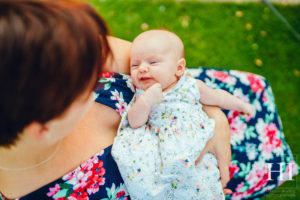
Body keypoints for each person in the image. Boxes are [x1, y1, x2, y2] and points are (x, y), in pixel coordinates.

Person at [0, 0, 231, 199]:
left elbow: (156, 63)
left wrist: (215, 116)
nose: (96, 85)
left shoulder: (41, 45)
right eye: (85, 90)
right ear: (42, 129)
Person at [111, 30, 253, 199]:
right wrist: (146, 102)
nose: (142, 69)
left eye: (153, 62)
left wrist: (240, 105)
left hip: (195, 142)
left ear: (178, 68)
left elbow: (217, 96)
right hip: (161, 150)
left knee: (203, 175)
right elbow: (134, 122)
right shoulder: (142, 94)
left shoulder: (191, 86)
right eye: (135, 65)